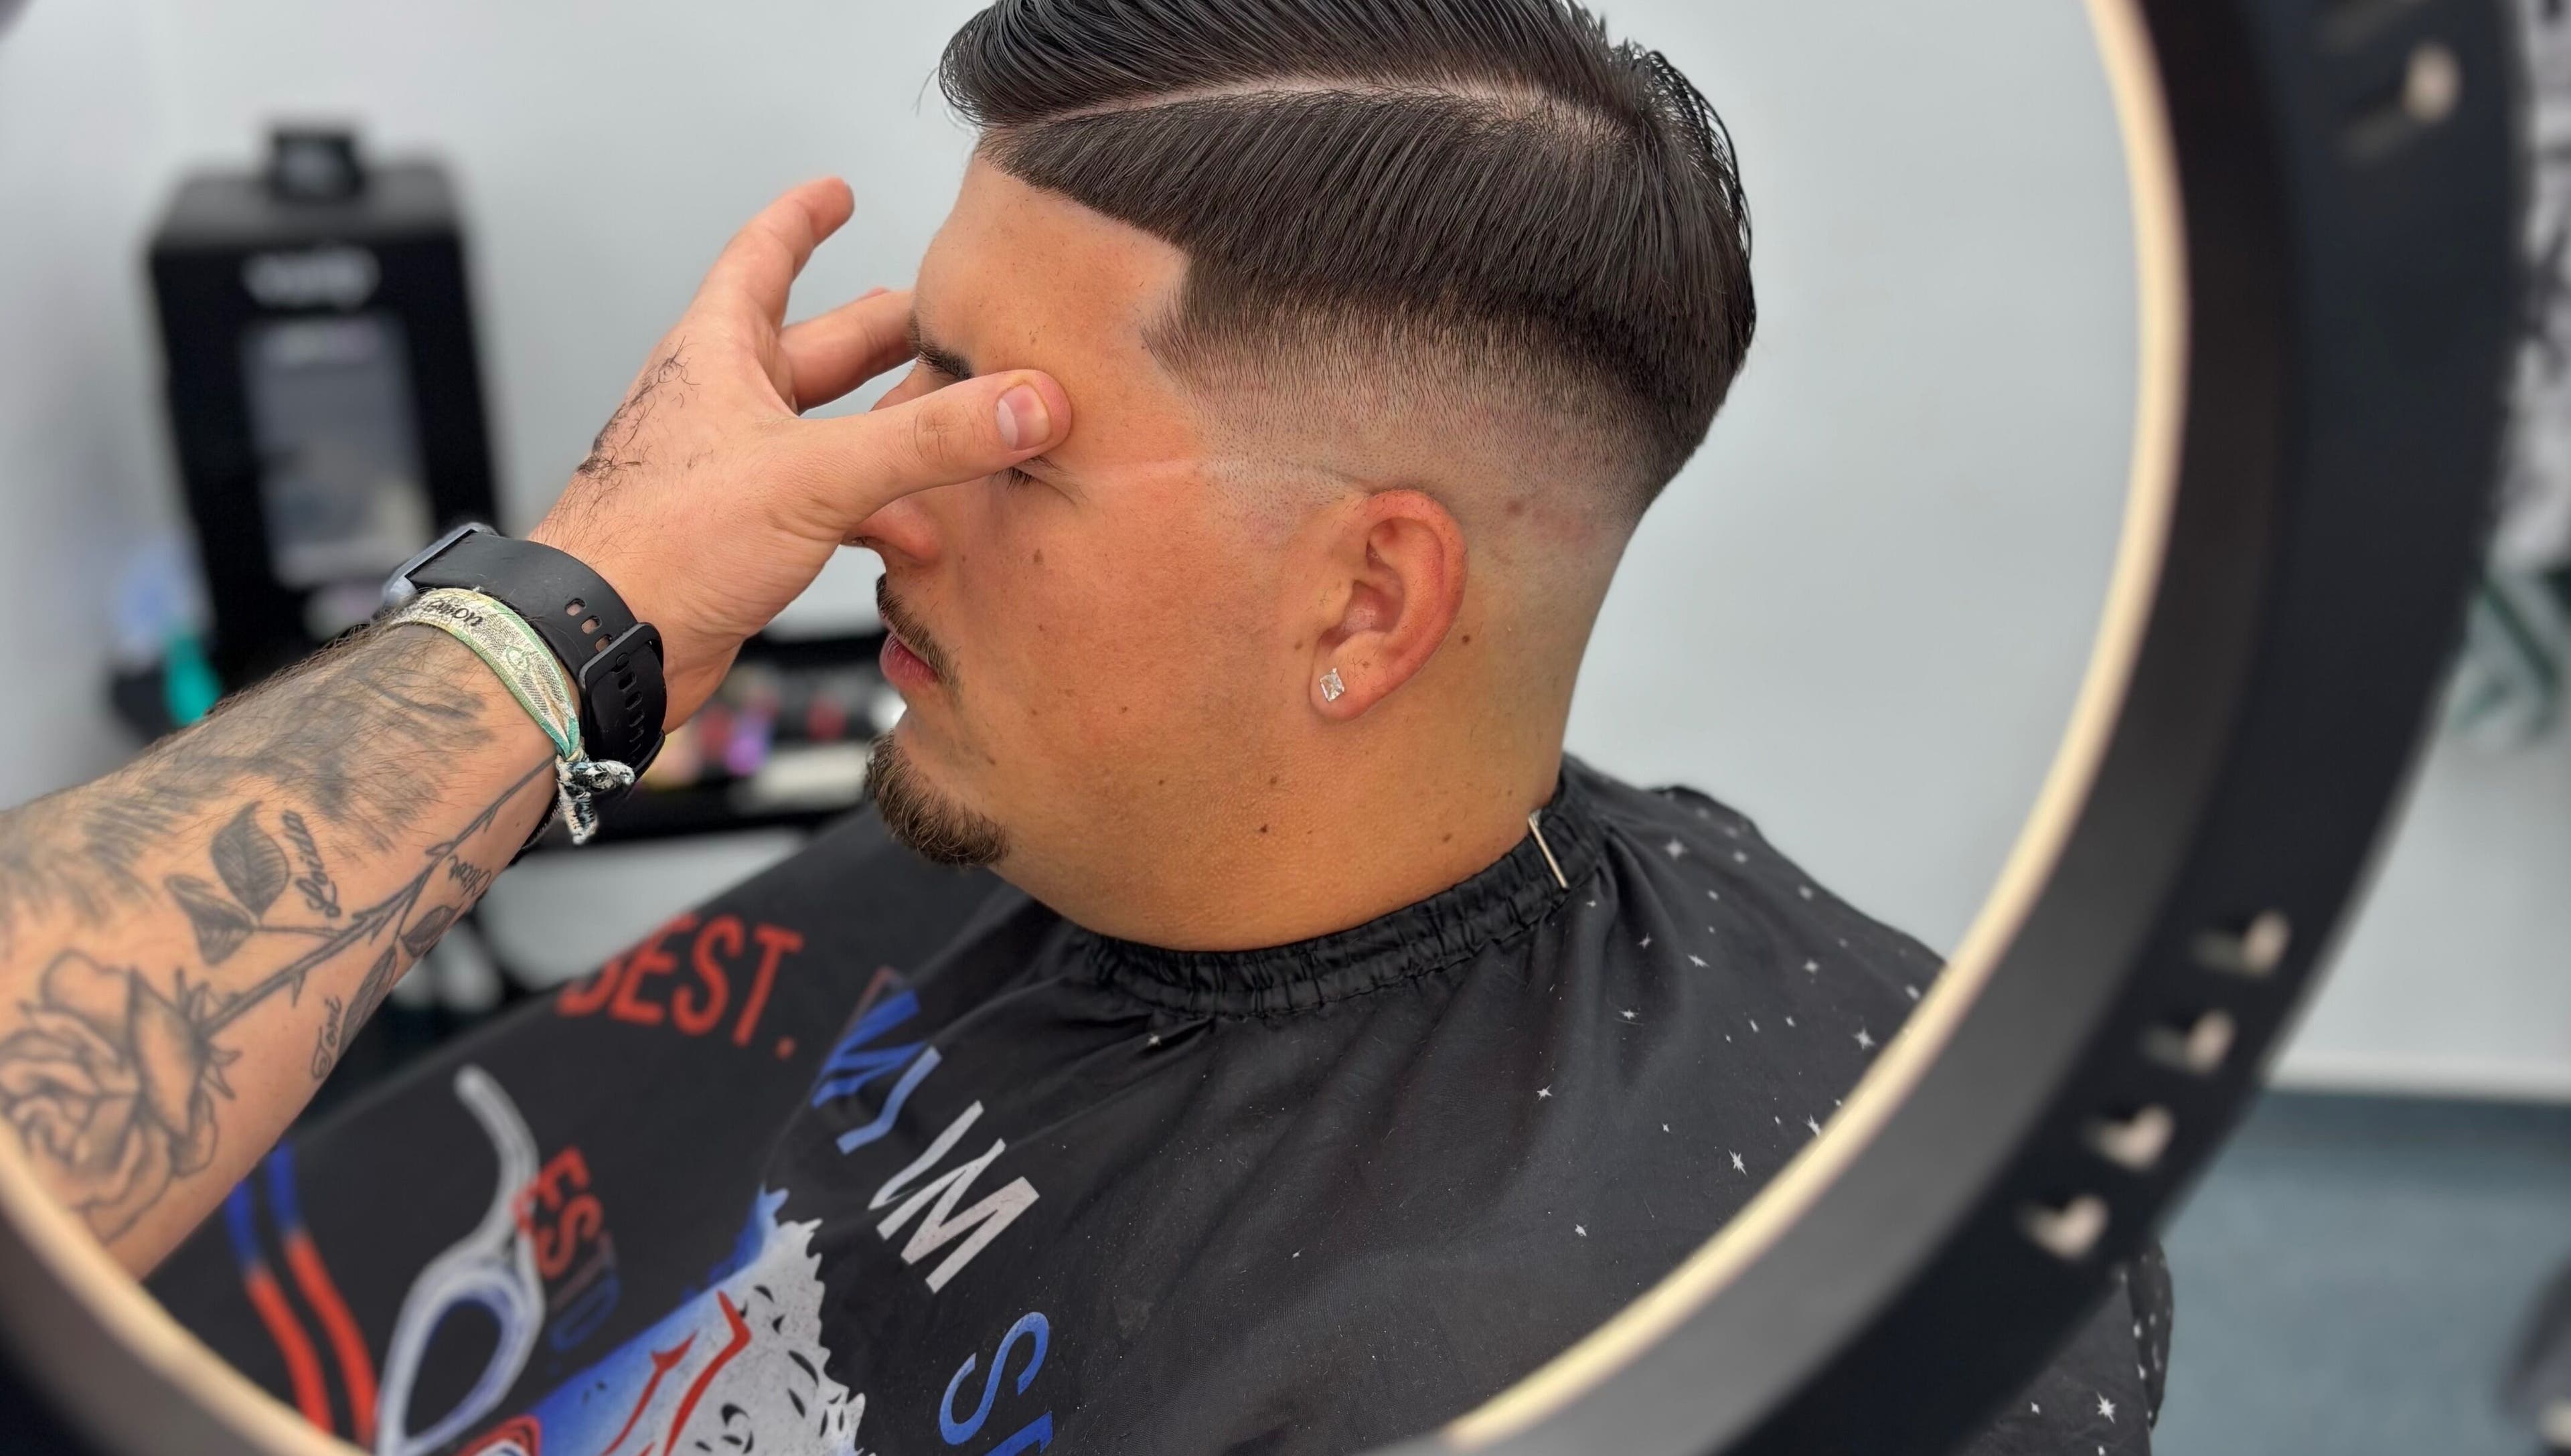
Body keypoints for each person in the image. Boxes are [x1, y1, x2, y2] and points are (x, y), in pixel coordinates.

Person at [0, 2, 2169, 1453]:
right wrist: (560, 621)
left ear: (1367, 597)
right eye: (913, 388)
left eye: (1007, 441)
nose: (873, 509)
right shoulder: (1003, 826)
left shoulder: (1727, 1308)